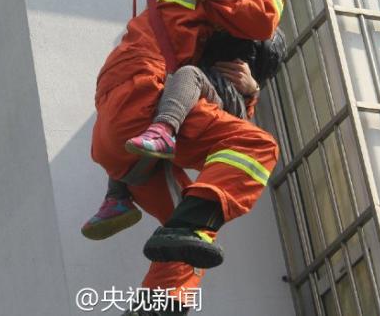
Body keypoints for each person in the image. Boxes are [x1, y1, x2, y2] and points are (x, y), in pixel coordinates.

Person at [90, 0, 284, 315]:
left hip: (114, 139)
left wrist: (247, 92)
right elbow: (263, 20)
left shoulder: (177, 13)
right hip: (144, 105)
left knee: (189, 241)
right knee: (259, 146)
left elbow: (218, 121)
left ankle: (156, 308)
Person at [81, 27, 287, 241]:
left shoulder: (242, 63)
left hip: (222, 95)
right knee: (138, 116)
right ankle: (117, 195)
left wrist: (252, 90)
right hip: (207, 95)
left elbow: (241, 120)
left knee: (187, 76)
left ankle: (164, 131)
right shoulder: (223, 43)